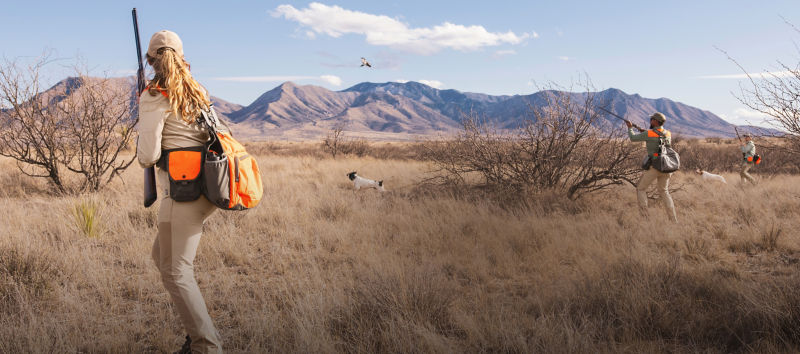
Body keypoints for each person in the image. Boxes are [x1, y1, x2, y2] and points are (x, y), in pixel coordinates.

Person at [136, 30, 222, 354]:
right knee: (163, 259)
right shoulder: (196, 90)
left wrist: (143, 117)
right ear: (181, 56)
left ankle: (206, 346)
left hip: (185, 193)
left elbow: (147, 155)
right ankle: (195, 334)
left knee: (176, 271)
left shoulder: (155, 95)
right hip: (204, 188)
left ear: (151, 60)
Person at [626, 112, 678, 222]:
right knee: (664, 191)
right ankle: (673, 219)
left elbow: (633, 138)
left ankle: (645, 219)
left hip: (654, 166)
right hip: (667, 166)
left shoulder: (649, 133)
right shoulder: (668, 133)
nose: (650, 121)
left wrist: (630, 128)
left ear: (655, 121)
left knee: (640, 189)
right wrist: (646, 132)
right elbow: (658, 137)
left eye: (651, 119)